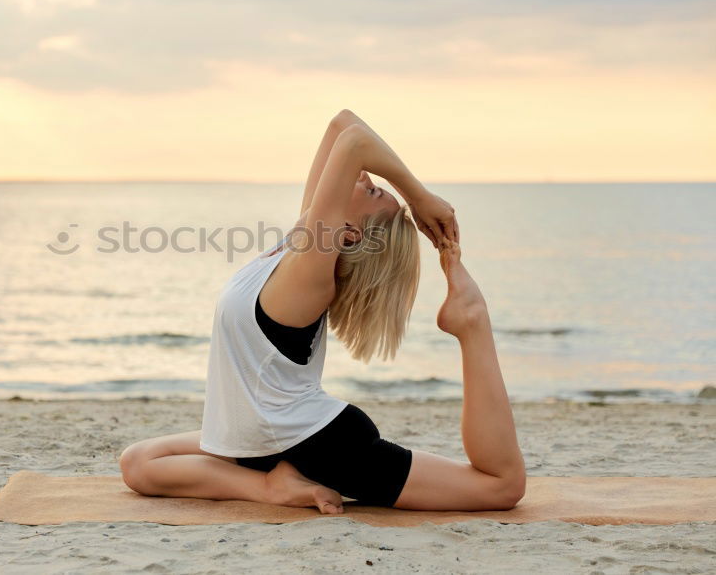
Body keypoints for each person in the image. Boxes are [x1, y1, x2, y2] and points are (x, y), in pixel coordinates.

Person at [119, 109, 526, 514]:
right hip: (263, 438)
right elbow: (343, 124)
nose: (365, 177)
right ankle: (270, 486)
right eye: (370, 184)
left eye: (370, 193)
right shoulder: (296, 242)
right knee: (138, 464)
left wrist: (418, 197)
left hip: (321, 444)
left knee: (500, 487)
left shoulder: (309, 272)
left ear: (347, 233)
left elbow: (354, 145)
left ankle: (471, 320)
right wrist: (405, 194)